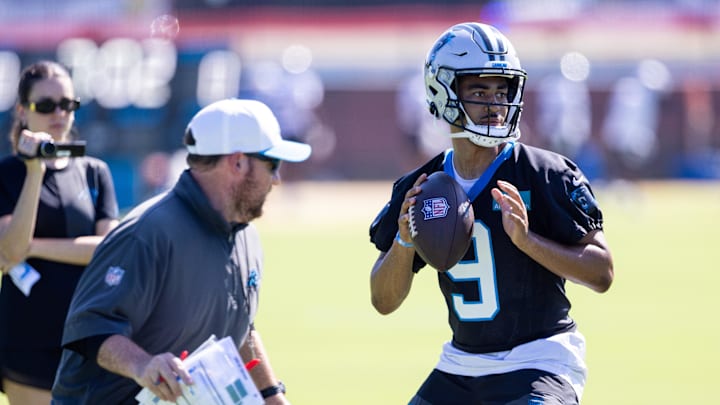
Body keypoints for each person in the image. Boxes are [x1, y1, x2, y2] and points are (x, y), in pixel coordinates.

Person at [369, 23, 614, 404]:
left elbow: (602, 273)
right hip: (460, 365)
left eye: (502, 91)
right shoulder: (420, 186)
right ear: (443, 91)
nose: (495, 104)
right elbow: (383, 301)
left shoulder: (545, 173)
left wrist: (527, 241)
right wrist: (404, 239)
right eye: (480, 91)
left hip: (539, 360)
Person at [51, 98, 311, 404]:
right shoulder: (146, 234)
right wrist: (143, 365)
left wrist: (271, 396)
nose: (277, 180)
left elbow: (241, 332)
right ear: (238, 162)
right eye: (272, 165)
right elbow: (91, 328)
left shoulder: (246, 238)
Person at [0, 61, 119, 405]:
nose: (59, 113)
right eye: (46, 105)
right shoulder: (7, 174)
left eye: (67, 104)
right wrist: (34, 169)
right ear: (23, 111)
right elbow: (10, 248)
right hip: (27, 337)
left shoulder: (95, 172)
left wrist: (34, 247)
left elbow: (105, 249)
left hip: (90, 333)